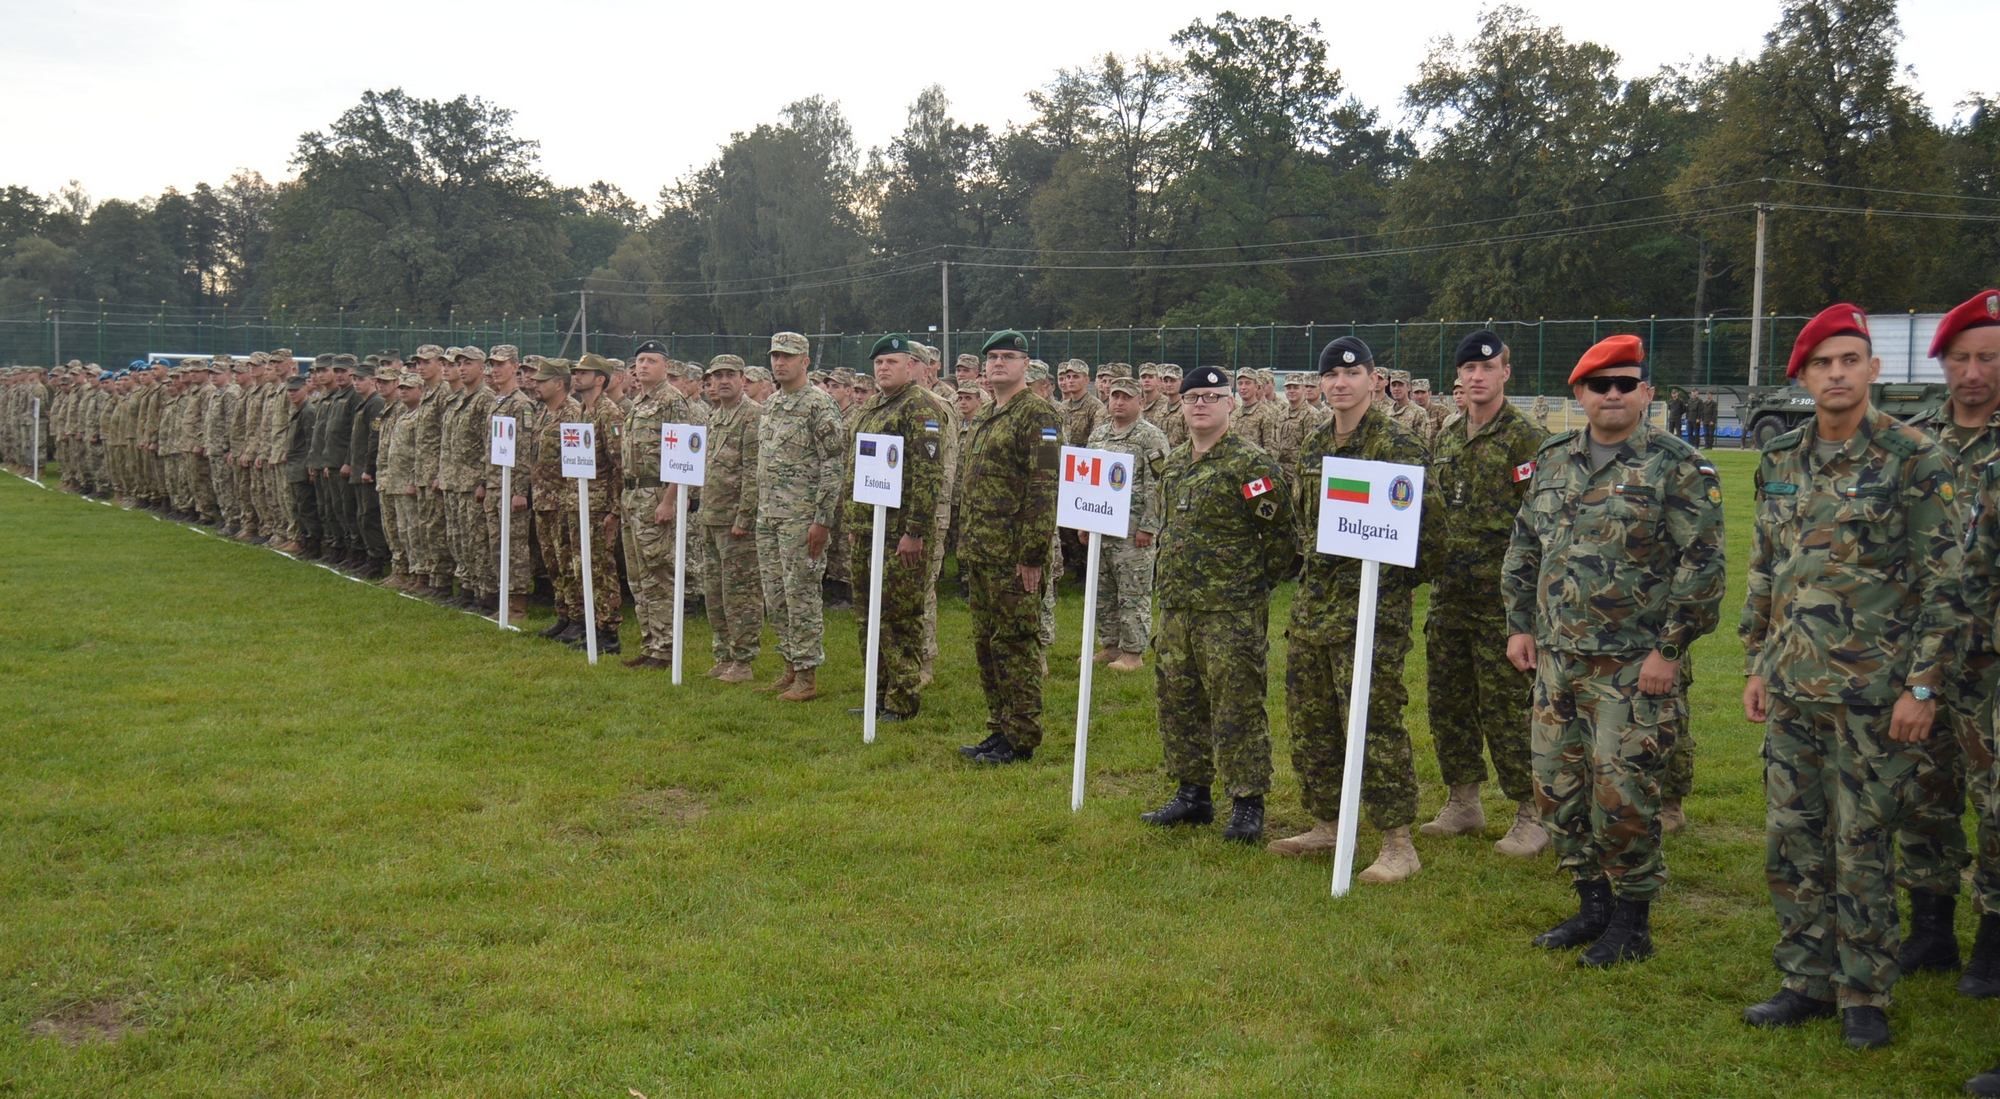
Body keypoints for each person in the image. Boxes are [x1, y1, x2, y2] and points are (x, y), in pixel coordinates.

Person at [1739, 303, 1963, 1050]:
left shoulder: (1913, 457)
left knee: (1861, 842)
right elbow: (1766, 567)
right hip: (1792, 687)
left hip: (1875, 695)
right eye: (1821, 364)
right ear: (1802, 377)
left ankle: (1864, 992)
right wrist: (1756, 662)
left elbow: (1946, 585)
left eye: (1848, 360)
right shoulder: (1780, 458)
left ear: (1873, 368)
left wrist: (1922, 686)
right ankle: (1805, 978)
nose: (1835, 374)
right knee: (1793, 838)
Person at [1502, 335, 1726, 966]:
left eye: (1626, 384)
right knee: (1557, 787)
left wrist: (1669, 652)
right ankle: (1592, 905)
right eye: (1601, 385)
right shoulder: (1553, 460)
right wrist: (1520, 625)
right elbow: (1525, 545)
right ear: (1580, 393)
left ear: (1646, 393)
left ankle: (1632, 922)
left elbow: (1704, 566)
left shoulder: (1678, 466)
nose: (1613, 394)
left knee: (1621, 793)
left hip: (1632, 665)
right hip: (1557, 659)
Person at [1269, 337, 1427, 879]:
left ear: (1373, 379)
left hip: (1371, 609)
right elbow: (1304, 524)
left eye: (1351, 374)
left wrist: (1390, 587)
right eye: (1331, 375)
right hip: (1314, 607)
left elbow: (1430, 536)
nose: (1340, 383)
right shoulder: (1316, 444)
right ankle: (1330, 823)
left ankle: (1397, 842)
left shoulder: (1397, 446)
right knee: (1311, 719)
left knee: (1374, 721)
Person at [1141, 364, 1293, 841]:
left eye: (1211, 397)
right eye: (1192, 398)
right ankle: (1193, 794)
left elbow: (1282, 540)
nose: (1200, 405)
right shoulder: (1175, 463)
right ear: (1182, 406)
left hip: (1230, 611)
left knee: (1237, 705)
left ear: (1231, 403)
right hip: (1177, 607)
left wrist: (1249, 585)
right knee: (1179, 700)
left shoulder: (1251, 465)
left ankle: (1247, 802)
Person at [1421, 330, 1550, 856]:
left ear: (1505, 373)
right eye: (1469, 369)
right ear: (1458, 376)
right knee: (1449, 701)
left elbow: (1543, 525)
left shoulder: (1527, 438)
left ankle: (1532, 811)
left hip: (1504, 602)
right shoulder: (1448, 435)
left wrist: (1531, 609)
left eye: (1487, 368)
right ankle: (1463, 801)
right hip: (1450, 594)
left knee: (1508, 707)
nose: (1477, 376)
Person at [955, 329, 1062, 765]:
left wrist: (1032, 554)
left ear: (1025, 365)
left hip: (1014, 555)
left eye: (1008, 356)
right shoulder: (986, 413)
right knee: (987, 644)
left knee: (1016, 644)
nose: (999, 363)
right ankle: (998, 727)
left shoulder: (1038, 414)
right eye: (993, 357)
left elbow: (1045, 486)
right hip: (981, 549)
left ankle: (1021, 737)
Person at [844, 335, 944, 720]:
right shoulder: (872, 406)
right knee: (868, 616)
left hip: (899, 532)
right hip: (868, 527)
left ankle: (902, 699)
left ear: (911, 366)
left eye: (891, 362)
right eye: (878, 363)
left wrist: (914, 531)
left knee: (898, 616)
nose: (883, 368)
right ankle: (877, 692)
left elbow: (927, 474)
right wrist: (854, 521)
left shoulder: (919, 406)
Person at [755, 332, 847, 702]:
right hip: (769, 515)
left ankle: (807, 675)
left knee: (801, 595)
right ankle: (789, 665)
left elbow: (833, 464)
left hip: (801, 518)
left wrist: (822, 519)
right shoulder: (772, 402)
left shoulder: (818, 404)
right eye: (775, 356)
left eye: (788, 357)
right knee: (775, 595)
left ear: (805, 361)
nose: (780, 363)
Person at [1083, 376, 1168, 671]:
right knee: (1103, 592)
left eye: (1126, 397)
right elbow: (1088, 480)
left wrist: (1149, 526)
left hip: (1133, 532)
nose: (1118, 402)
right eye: (1114, 396)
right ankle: (1111, 646)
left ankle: (1133, 652)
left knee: (1133, 591)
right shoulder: (1099, 435)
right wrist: (1084, 522)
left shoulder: (1150, 437)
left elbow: (1158, 484)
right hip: (1101, 526)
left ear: (1140, 402)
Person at [615, 344, 691, 669]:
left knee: (658, 574)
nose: (643, 366)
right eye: (640, 361)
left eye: (651, 360)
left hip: (656, 494)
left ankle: (665, 648)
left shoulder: (672, 401)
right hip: (633, 495)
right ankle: (649, 643)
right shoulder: (638, 402)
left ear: (665, 366)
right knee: (638, 577)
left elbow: (684, 456)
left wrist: (670, 500)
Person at [699, 353, 763, 681]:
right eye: (717, 375)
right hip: (711, 516)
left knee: (740, 593)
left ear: (742, 379)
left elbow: (754, 472)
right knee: (714, 593)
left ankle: (743, 659)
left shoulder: (752, 416)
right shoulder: (715, 415)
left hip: (735, 521)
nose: (723, 381)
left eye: (730, 375)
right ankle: (723, 653)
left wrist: (744, 517)